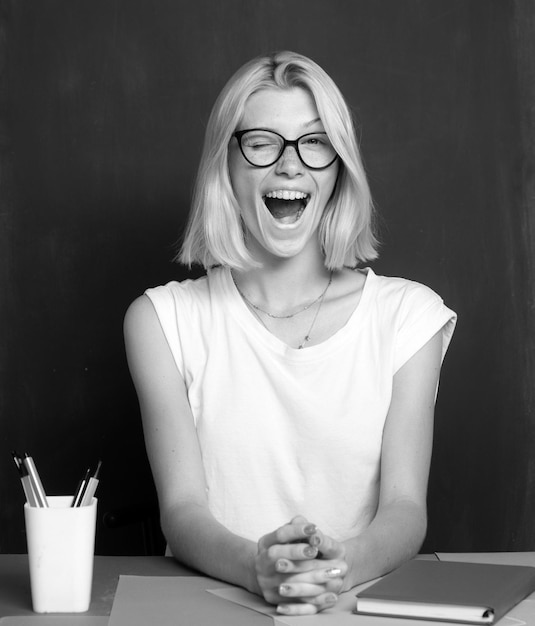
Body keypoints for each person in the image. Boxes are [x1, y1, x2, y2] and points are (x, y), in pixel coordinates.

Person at [124, 50, 456, 616]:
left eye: (314, 141)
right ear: (225, 165)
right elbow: (182, 513)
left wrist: (339, 566)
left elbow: (405, 508)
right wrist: (260, 567)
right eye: (261, 142)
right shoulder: (162, 321)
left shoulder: (408, 317)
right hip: (210, 611)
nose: (290, 165)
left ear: (337, 167)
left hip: (351, 610)